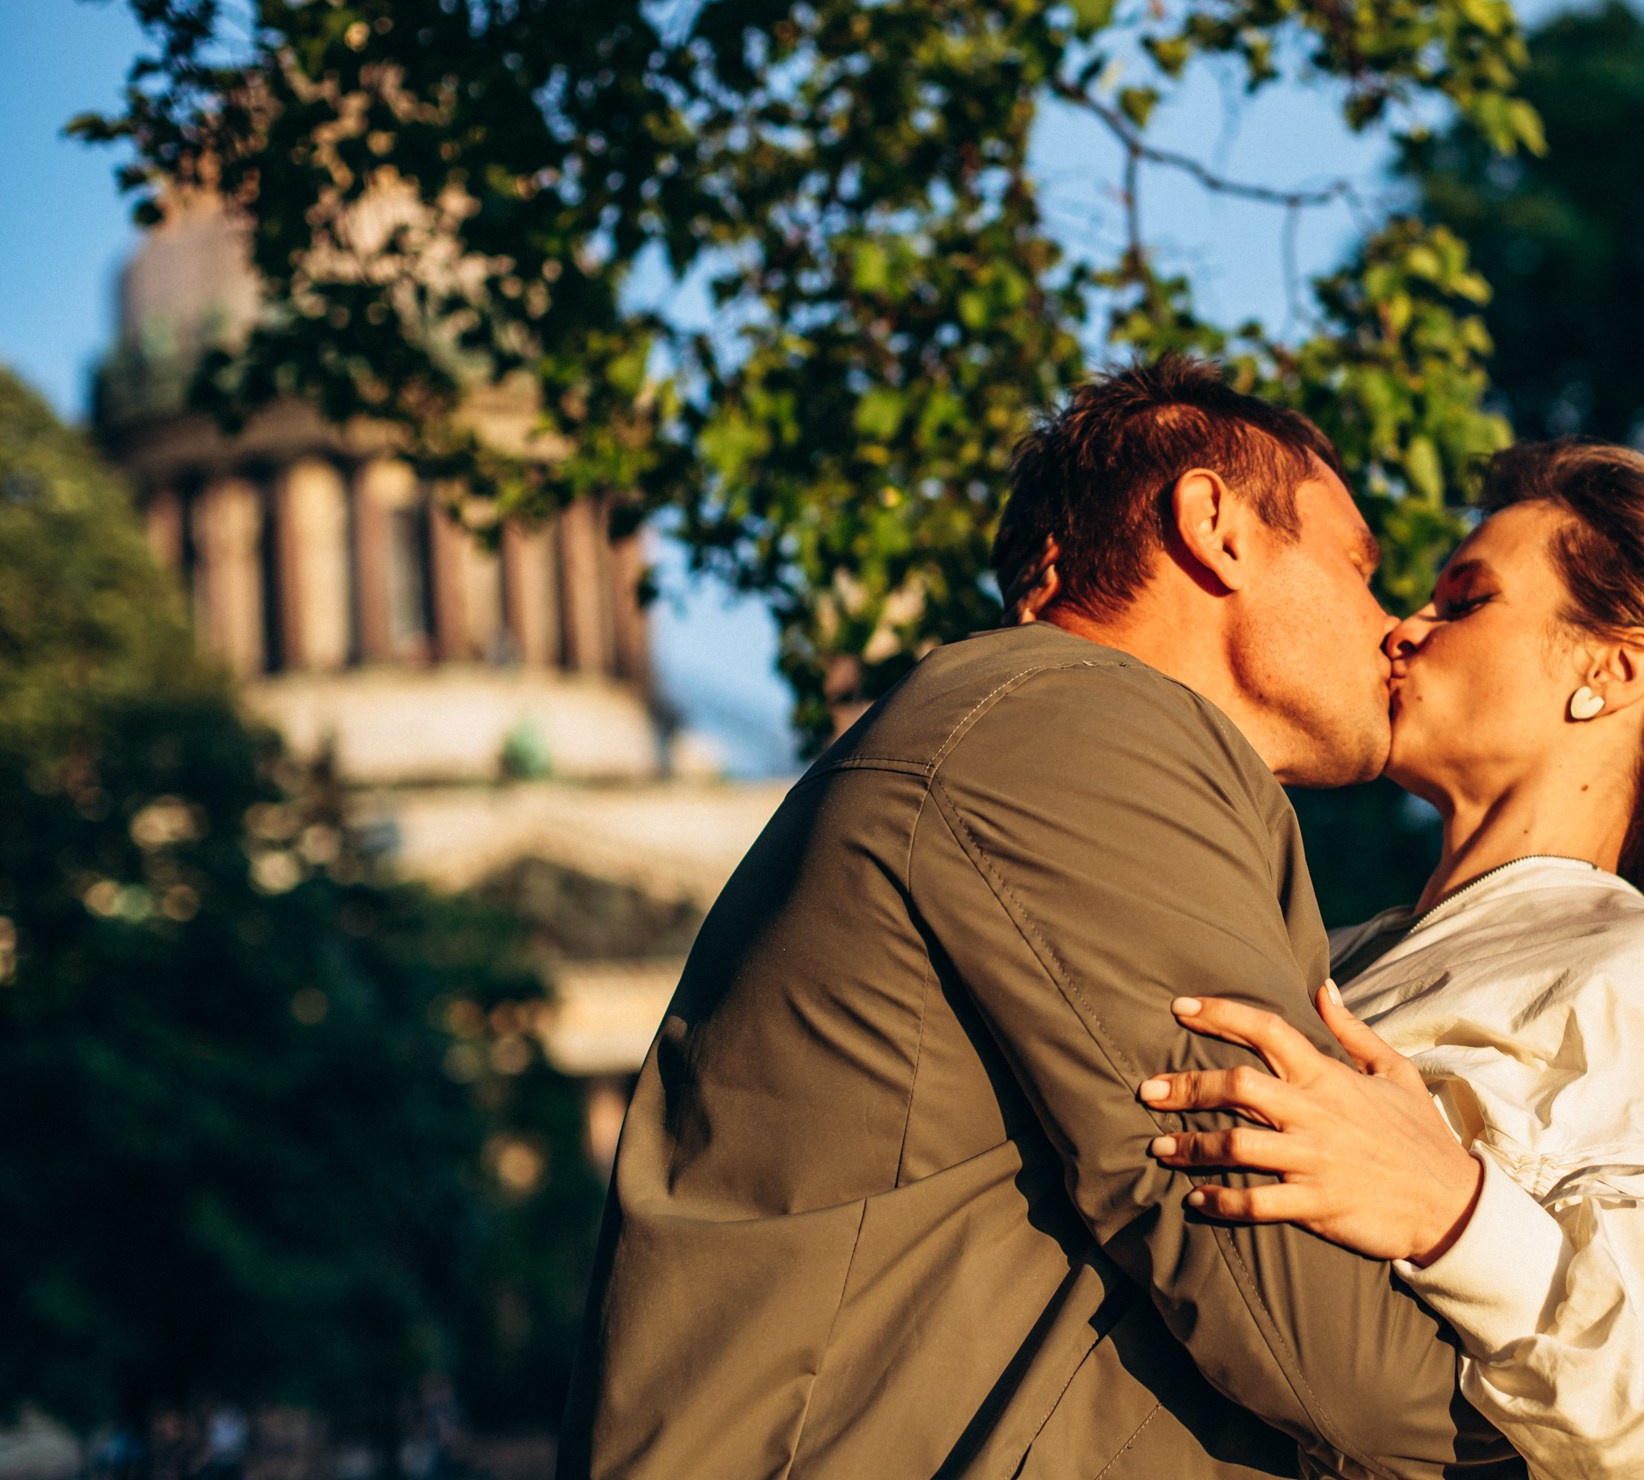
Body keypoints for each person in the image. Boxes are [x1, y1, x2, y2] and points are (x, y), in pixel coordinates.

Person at [557, 356, 1518, 1479]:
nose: (1393, 621)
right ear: (1216, 526)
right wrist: (1588, 1421)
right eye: (1360, 567)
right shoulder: (1076, 728)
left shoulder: (1041, 738)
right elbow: (1299, 1311)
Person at [1134, 442, 1644, 1479]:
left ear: (1609, 669)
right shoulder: (1328, 945)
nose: (1404, 627)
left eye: (1466, 599)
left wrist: (1454, 1210)